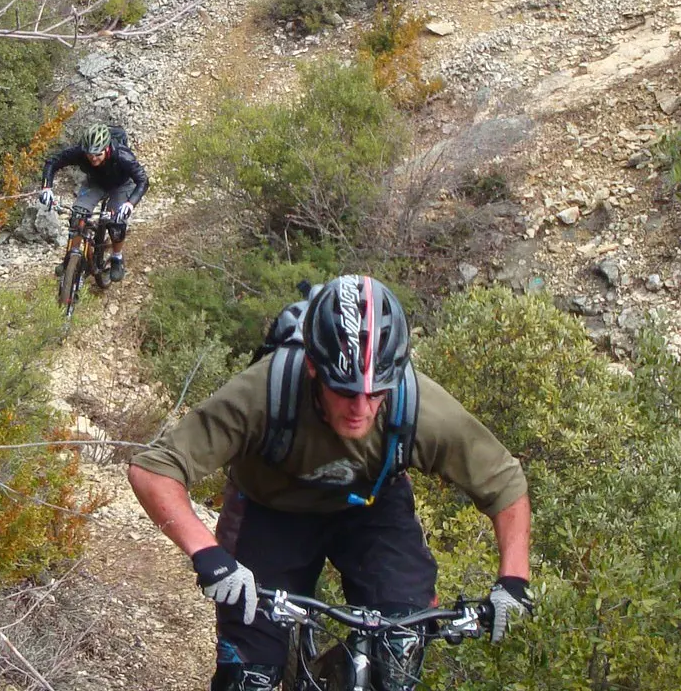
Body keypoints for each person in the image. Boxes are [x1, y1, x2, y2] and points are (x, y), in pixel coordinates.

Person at [128, 275, 533, 691]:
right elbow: (155, 469)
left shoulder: (419, 405)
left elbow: (505, 485)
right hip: (270, 511)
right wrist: (208, 555)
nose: (361, 408)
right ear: (312, 367)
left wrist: (513, 579)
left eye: (376, 393)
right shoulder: (266, 391)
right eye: (344, 391)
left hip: (371, 510)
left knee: (398, 652)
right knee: (249, 677)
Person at [40, 121, 148, 282]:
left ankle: (117, 258)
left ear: (107, 148)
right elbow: (53, 162)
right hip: (95, 183)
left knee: (116, 222)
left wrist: (129, 204)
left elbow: (143, 180)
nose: (93, 158)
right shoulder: (80, 152)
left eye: (98, 154)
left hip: (122, 184)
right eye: (90, 154)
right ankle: (71, 257)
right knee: (78, 216)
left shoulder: (123, 155)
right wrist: (46, 187)